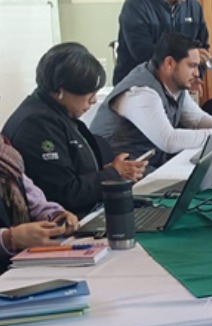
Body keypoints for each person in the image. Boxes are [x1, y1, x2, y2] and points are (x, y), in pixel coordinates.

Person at [2, 43, 146, 217]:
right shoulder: (36, 124)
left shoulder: (58, 113)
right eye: (88, 93)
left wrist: (108, 170)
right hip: (66, 223)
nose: (93, 101)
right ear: (61, 90)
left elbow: (72, 170)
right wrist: (113, 173)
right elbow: (65, 193)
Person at [91, 33, 212, 170]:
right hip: (123, 179)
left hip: (149, 167)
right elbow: (169, 140)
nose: (197, 73)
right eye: (192, 66)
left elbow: (196, 119)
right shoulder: (141, 92)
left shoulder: (170, 82)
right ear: (169, 63)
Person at [0, 136, 78, 271]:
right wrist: (8, 239)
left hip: (19, 266)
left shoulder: (7, 158)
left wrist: (56, 217)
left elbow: (36, 201)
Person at [113, 0, 209, 86]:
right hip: (137, 87)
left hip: (177, 88)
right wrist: (186, 58)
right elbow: (143, 53)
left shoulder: (194, 7)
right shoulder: (136, 6)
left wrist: (196, 76)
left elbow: (202, 49)